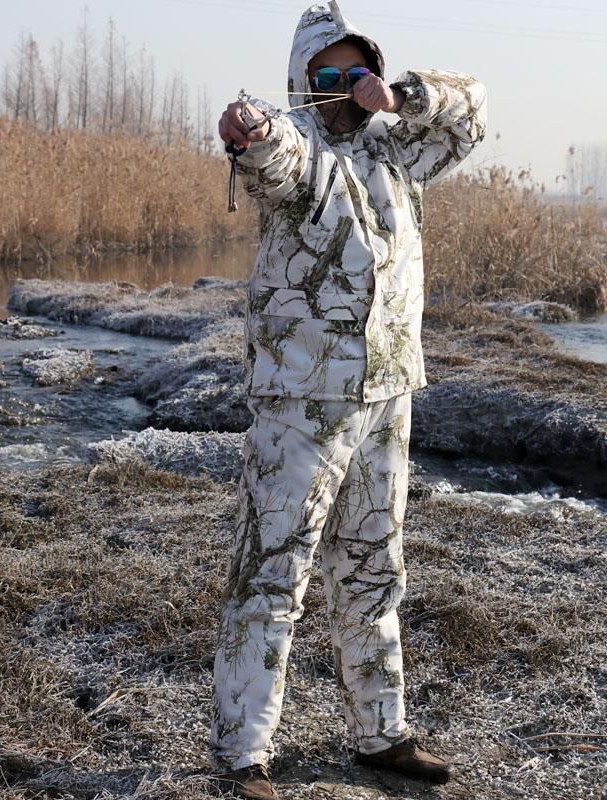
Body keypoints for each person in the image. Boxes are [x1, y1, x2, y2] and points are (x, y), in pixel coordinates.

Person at [212, 3, 486, 798]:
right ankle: (241, 754)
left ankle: (381, 736)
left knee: (373, 569)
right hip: (302, 405)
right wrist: (250, 134)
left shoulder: (400, 151)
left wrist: (398, 95)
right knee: (273, 573)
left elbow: (473, 111)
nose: (340, 89)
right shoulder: (301, 153)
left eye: (352, 72)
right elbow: (274, 159)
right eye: (324, 77)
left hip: (388, 394)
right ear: (302, 83)